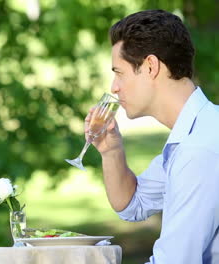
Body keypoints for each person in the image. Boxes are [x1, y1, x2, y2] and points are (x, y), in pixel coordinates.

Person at [89, 9, 219, 263]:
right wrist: (111, 151)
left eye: (119, 72)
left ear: (150, 66)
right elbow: (132, 205)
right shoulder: (194, 133)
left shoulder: (199, 149)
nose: (114, 87)